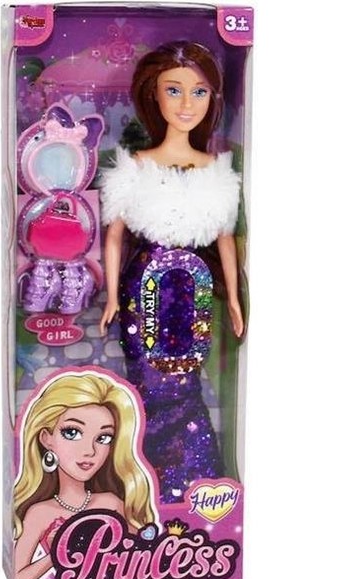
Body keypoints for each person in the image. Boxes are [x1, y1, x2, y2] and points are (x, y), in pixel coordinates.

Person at [99, 41, 244, 504]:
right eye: (174, 90)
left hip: (191, 290)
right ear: (154, 95)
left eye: (199, 92)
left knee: (186, 383)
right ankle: (144, 483)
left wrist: (235, 300)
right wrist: (110, 298)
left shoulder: (217, 171)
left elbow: (224, 238)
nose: (186, 104)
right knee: (149, 384)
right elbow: (114, 236)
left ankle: (195, 485)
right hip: (145, 290)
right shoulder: (137, 168)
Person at [13, 370, 155, 579]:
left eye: (103, 438)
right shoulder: (40, 513)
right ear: (46, 438)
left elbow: (145, 553)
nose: (89, 451)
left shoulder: (111, 503)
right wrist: (58, 553)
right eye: (72, 432)